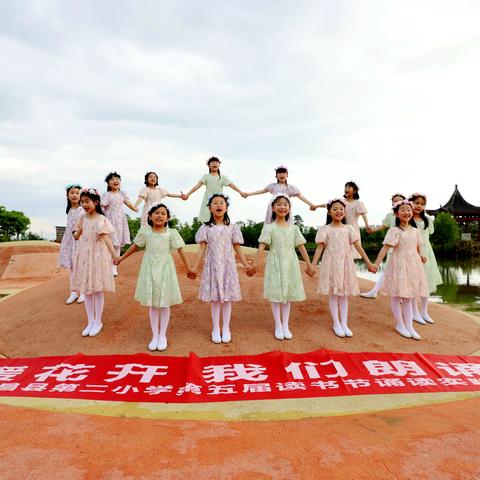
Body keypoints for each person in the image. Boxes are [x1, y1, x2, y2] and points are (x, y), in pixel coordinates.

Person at [115, 203, 193, 351]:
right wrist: (121, 258)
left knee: (164, 303)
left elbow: (181, 250)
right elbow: (135, 246)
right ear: (150, 216)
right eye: (156, 213)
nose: (159, 216)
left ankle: (162, 335)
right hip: (149, 268)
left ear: (167, 217)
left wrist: (189, 268)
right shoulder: (145, 232)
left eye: (163, 213)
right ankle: (155, 335)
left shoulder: (172, 233)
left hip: (165, 269)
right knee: (153, 303)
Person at [190, 193, 255, 344]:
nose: (219, 205)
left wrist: (246, 265)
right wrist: (194, 266)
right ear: (210, 207)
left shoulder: (232, 227)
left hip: (228, 265)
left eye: (222, 203)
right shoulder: (206, 227)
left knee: (227, 299)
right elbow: (201, 249)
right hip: (212, 265)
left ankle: (226, 328)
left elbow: (237, 248)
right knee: (215, 299)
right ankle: (215, 328)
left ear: (226, 207)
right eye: (215, 203)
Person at [253, 194, 315, 340]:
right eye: (279, 204)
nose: (282, 207)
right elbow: (262, 245)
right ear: (273, 208)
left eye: (285, 204)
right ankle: (278, 325)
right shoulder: (269, 228)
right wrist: (255, 263)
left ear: (289, 208)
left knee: (287, 295)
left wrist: (309, 264)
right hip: (275, 263)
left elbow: (301, 247)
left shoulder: (294, 229)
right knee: (276, 295)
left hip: (290, 263)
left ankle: (285, 325)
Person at [311, 198, 377, 337]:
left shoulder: (349, 229)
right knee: (334, 294)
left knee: (344, 295)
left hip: (346, 264)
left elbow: (358, 246)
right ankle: (336, 323)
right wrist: (312, 265)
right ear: (329, 212)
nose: (339, 211)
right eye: (335, 209)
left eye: (341, 209)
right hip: (331, 263)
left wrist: (368, 262)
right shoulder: (325, 229)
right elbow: (319, 248)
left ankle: (344, 323)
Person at [373, 199, 429, 340]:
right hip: (398, 264)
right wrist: (375, 264)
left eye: (408, 210)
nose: (406, 212)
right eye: (402, 210)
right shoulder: (394, 231)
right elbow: (385, 248)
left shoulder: (415, 231)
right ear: (397, 214)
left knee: (409, 296)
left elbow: (418, 246)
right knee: (397, 295)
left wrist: (421, 255)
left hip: (413, 265)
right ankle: (400, 324)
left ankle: (409, 326)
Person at [72, 188, 116, 337]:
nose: (84, 204)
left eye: (87, 201)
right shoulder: (82, 219)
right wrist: (76, 232)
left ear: (96, 202)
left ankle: (98, 321)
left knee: (97, 290)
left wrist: (114, 255)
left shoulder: (102, 220)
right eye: (82, 202)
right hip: (85, 255)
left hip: (98, 256)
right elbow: (77, 236)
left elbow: (106, 239)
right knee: (87, 290)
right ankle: (90, 321)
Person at [360, 193, 406, 299]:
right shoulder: (390, 215)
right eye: (394, 201)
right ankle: (375, 291)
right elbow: (384, 226)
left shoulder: (408, 215)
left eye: (399, 200)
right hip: (391, 246)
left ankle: (402, 295)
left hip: (404, 248)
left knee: (401, 271)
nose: (396, 202)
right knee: (388, 269)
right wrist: (372, 230)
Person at [312, 181, 370, 259]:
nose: (346, 189)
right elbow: (329, 205)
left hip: (352, 228)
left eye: (349, 187)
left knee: (351, 252)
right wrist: (316, 206)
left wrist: (367, 225)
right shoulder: (341, 201)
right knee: (340, 251)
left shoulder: (358, 203)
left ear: (355, 191)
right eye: (345, 187)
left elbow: (364, 215)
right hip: (340, 228)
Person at [409, 192, 442, 324]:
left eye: (422, 204)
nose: (419, 206)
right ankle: (414, 312)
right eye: (416, 203)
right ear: (411, 203)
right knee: (413, 282)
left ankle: (424, 311)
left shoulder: (427, 219)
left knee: (426, 281)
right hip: (411, 252)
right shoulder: (407, 217)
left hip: (426, 252)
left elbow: (430, 233)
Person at [243, 165, 316, 224]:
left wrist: (311, 204)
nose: (282, 175)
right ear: (276, 176)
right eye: (280, 173)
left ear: (287, 175)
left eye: (284, 173)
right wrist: (248, 194)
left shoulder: (290, 188)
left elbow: (301, 197)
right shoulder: (273, 186)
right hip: (275, 208)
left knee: (286, 224)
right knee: (272, 223)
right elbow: (262, 191)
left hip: (285, 209)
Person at [182, 157, 246, 222]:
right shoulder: (206, 176)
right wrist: (187, 195)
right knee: (208, 219)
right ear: (209, 166)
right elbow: (196, 186)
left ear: (219, 165)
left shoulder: (222, 177)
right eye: (212, 162)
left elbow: (232, 185)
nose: (214, 163)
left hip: (219, 202)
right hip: (208, 201)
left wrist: (241, 192)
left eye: (216, 162)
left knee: (220, 219)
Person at [101, 172, 138, 276]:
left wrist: (134, 208)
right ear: (108, 183)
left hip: (121, 221)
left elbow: (127, 202)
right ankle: (107, 267)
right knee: (109, 244)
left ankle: (114, 268)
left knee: (117, 245)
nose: (115, 181)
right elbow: (102, 206)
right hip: (110, 221)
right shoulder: (106, 194)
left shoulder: (122, 194)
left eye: (117, 179)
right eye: (112, 179)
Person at [58, 184, 85, 304]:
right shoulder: (69, 210)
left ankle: (84, 291)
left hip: (80, 240)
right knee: (73, 267)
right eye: (72, 193)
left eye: (77, 193)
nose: (74, 195)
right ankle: (74, 291)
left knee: (81, 265)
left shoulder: (83, 209)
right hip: (69, 241)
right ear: (67, 195)